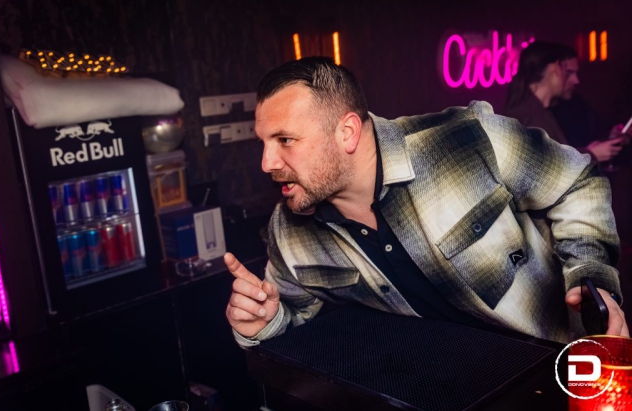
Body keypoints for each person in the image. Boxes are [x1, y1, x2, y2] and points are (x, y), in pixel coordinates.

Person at [225, 57, 628, 347]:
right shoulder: (288, 228)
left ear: (346, 132)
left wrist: (590, 274)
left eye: (285, 140)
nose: (267, 163)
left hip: (559, 366)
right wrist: (262, 322)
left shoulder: (467, 139)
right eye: (264, 142)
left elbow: (576, 182)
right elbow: (291, 317)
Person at [505, 41, 626, 162]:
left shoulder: (539, 111)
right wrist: (591, 154)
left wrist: (589, 150)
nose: (574, 80)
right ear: (555, 68)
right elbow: (545, 165)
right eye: (566, 71)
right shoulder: (529, 117)